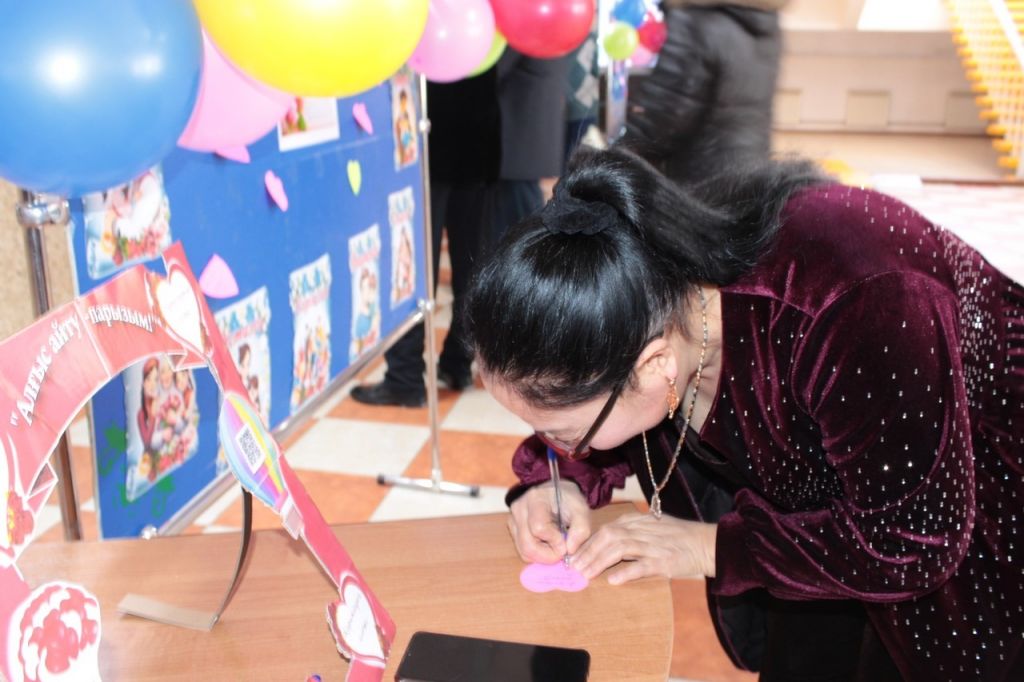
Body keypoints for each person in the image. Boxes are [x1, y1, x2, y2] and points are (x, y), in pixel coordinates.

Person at [463, 145, 1024, 680]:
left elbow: (913, 539)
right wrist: (560, 483)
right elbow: (603, 391)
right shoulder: (648, 295)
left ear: (656, 365)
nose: (558, 449)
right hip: (828, 518)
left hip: (978, 504)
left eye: (565, 436)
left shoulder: (856, 304)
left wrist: (706, 546)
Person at [352, 71, 500, 406]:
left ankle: (405, 377)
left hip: (424, 147)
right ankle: (458, 363)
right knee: (469, 265)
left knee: (412, 267)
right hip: (477, 142)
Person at [622, 0, 785, 184]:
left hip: (702, 180)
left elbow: (663, 115)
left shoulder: (697, 23)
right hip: (752, 173)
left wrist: (617, 144)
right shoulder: (762, 23)